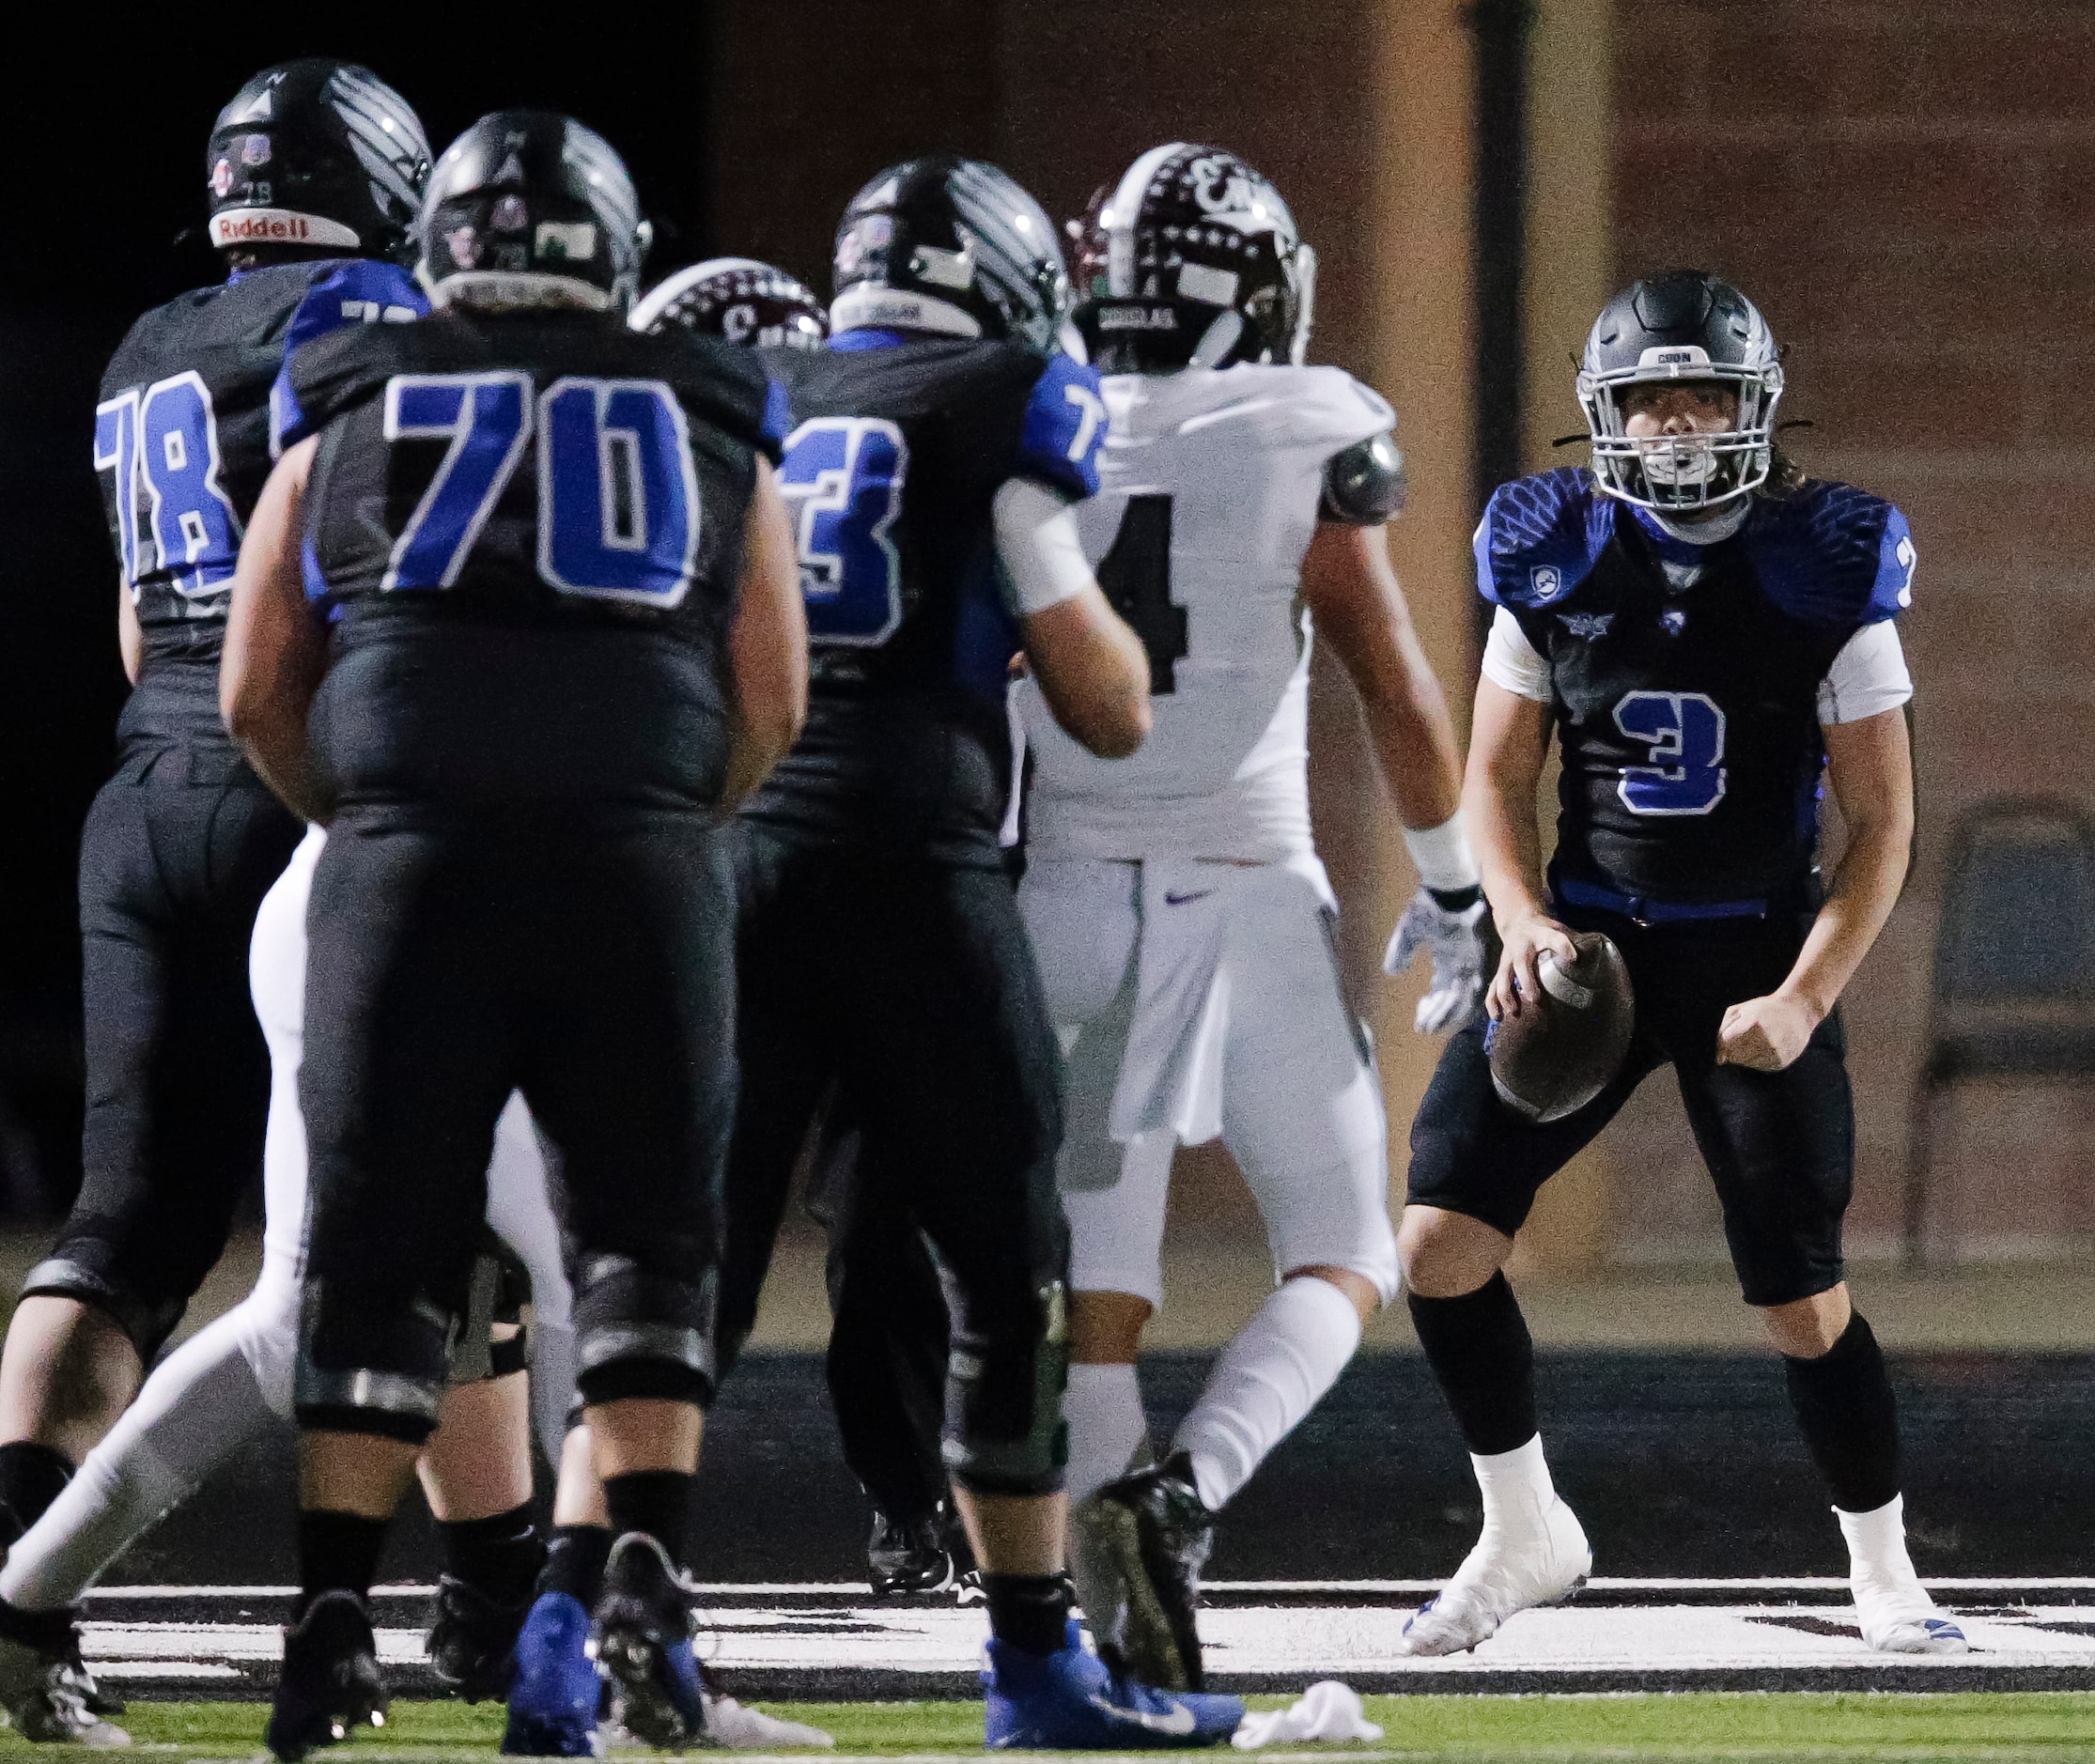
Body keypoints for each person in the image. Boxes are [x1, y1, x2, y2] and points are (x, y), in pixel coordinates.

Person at [220, 111, 808, 1757]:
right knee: (644, 1252)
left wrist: (372, 810)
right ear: (611, 250)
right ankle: (640, 1592)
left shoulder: (345, 375)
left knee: (378, 1252)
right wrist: (681, 814)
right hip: (634, 848)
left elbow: (257, 679)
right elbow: (773, 687)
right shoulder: (708, 390)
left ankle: (331, 1626)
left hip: (412, 855)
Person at [678, 154, 1242, 1750]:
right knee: (1011, 1271)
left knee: (682, 1279)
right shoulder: (1000, 396)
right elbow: (1106, 703)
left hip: (743, 859)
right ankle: (1035, 1665)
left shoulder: (756, 385)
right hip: (914, 860)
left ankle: (583, 1622)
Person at [1397, 269, 1958, 1659]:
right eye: (1651, 399)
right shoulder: (1551, 555)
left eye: (1705, 394)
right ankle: (1523, 1525)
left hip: (1752, 949)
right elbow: (1490, 778)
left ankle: (1882, 1565)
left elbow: (1881, 824)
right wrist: (1519, 924)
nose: (1679, 425)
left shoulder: (1825, 568)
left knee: (1794, 1294)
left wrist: (1802, 995)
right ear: (1606, 415)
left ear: (1757, 407)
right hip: (1585, 945)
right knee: (1436, 1243)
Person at [1012, 144, 1484, 1693]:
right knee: (1345, 1244)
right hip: (1245, 893)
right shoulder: (1301, 427)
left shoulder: (1029, 417)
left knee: (1098, 1280)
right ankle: (1186, 1491)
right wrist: (1461, 882)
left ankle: (1095, 1618)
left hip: (1060, 894)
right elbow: (1396, 685)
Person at [0, 57, 429, 1571]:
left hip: (143, 794)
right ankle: (493, 1592)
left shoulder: (147, 344)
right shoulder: (367, 315)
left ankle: (14, 1568)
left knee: (120, 1231)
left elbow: (138, 624)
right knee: (433, 1212)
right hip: (295, 789)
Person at [0, 825, 573, 1745]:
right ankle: (597, 1622)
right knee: (592, 1274)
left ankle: (27, 1599)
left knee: (379, 1289)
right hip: (436, 887)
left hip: (419, 883)